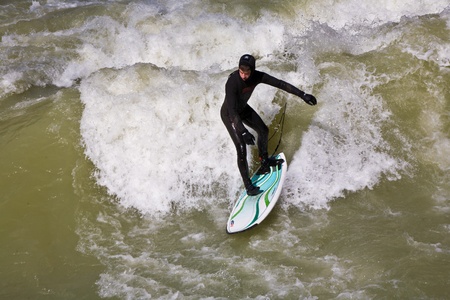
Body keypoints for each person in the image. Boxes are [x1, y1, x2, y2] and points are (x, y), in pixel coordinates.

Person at [221, 54, 317, 196]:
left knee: (263, 130)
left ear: (252, 71)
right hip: (230, 114)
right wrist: (243, 131)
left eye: (246, 73)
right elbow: (232, 111)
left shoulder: (257, 76)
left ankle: (264, 162)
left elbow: (280, 83)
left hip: (242, 109)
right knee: (241, 147)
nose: (244, 76)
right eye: (241, 72)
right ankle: (248, 186)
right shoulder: (232, 82)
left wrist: (303, 95)